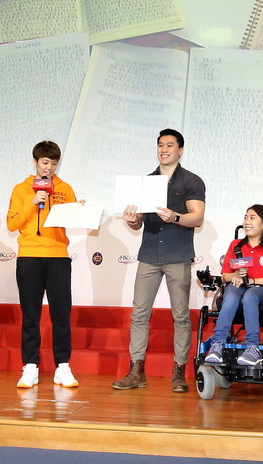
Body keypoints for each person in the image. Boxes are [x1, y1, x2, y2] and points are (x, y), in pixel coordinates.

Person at [113, 129, 205, 393]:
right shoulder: (146, 182)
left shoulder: (191, 181)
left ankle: (178, 372)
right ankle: (136, 370)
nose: (164, 149)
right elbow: (138, 221)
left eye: (170, 145)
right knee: (139, 314)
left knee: (180, 316)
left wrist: (175, 217)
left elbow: (196, 217)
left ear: (180, 150)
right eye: (160, 145)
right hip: (149, 254)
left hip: (177, 254)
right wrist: (133, 220)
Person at [6, 141, 79, 389]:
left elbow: (70, 218)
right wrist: (32, 201)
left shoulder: (65, 188)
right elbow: (12, 223)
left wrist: (80, 210)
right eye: (45, 163)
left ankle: (63, 366)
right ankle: (30, 367)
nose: (49, 168)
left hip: (58, 255)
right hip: (29, 255)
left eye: (54, 163)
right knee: (30, 315)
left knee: (61, 314)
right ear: (35, 162)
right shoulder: (20, 189)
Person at [204, 205, 263, 367]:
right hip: (238, 286)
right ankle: (217, 344)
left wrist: (253, 281)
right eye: (246, 217)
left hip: (262, 290)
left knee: (250, 296)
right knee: (231, 294)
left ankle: (252, 346)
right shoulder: (236, 245)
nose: (247, 221)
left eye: (252, 218)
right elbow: (225, 275)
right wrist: (234, 275)